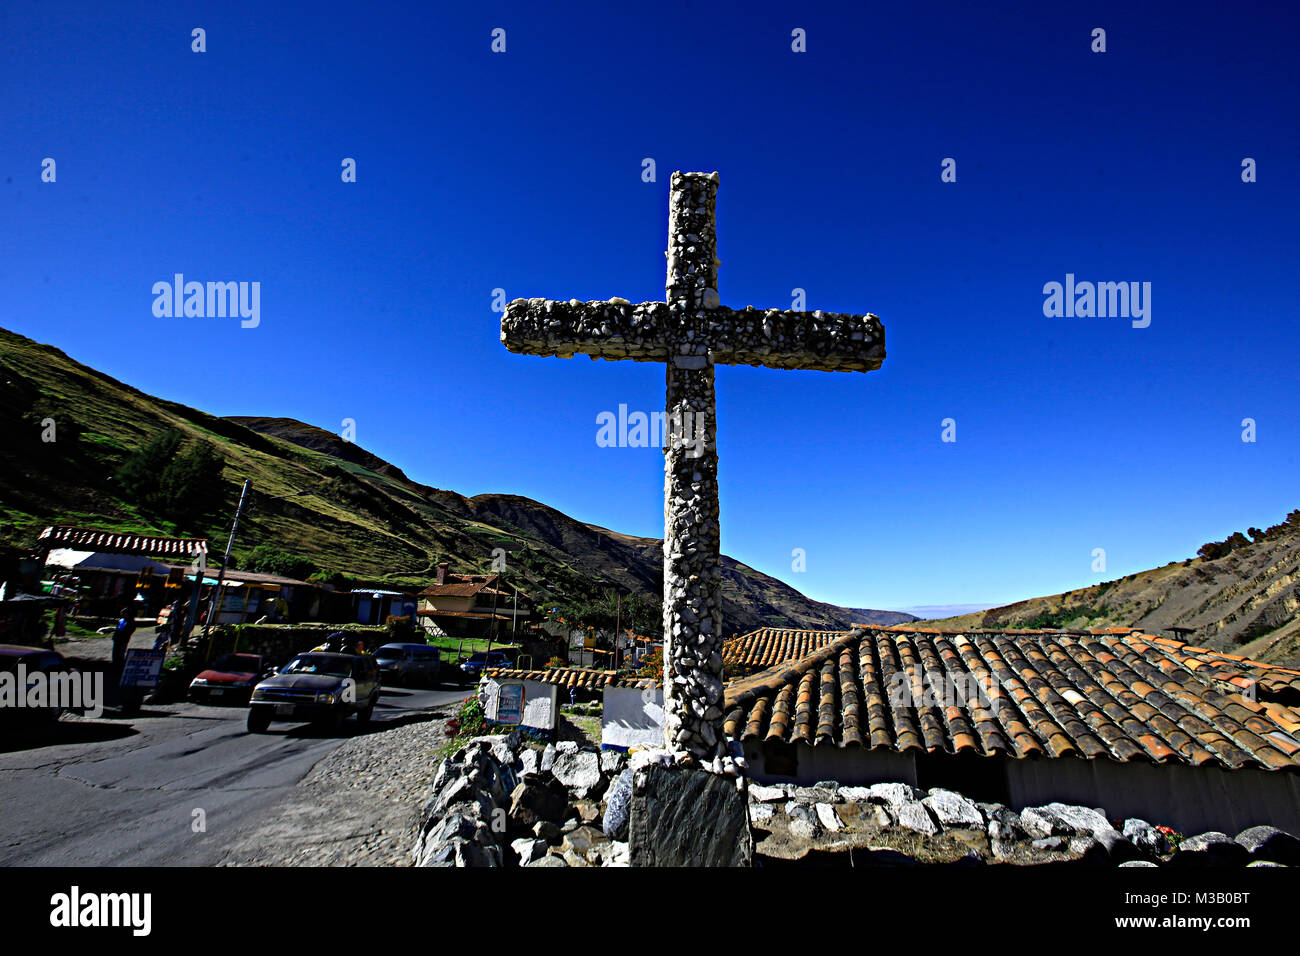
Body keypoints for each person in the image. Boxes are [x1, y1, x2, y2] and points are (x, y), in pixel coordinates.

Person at [112, 606, 136, 671]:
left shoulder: (131, 621)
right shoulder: (121, 620)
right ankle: (114, 665)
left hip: (123, 639)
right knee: (115, 653)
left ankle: (120, 666)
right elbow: (118, 628)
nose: (121, 614)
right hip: (116, 638)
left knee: (121, 653)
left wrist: (124, 634)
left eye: (123, 613)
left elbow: (131, 630)